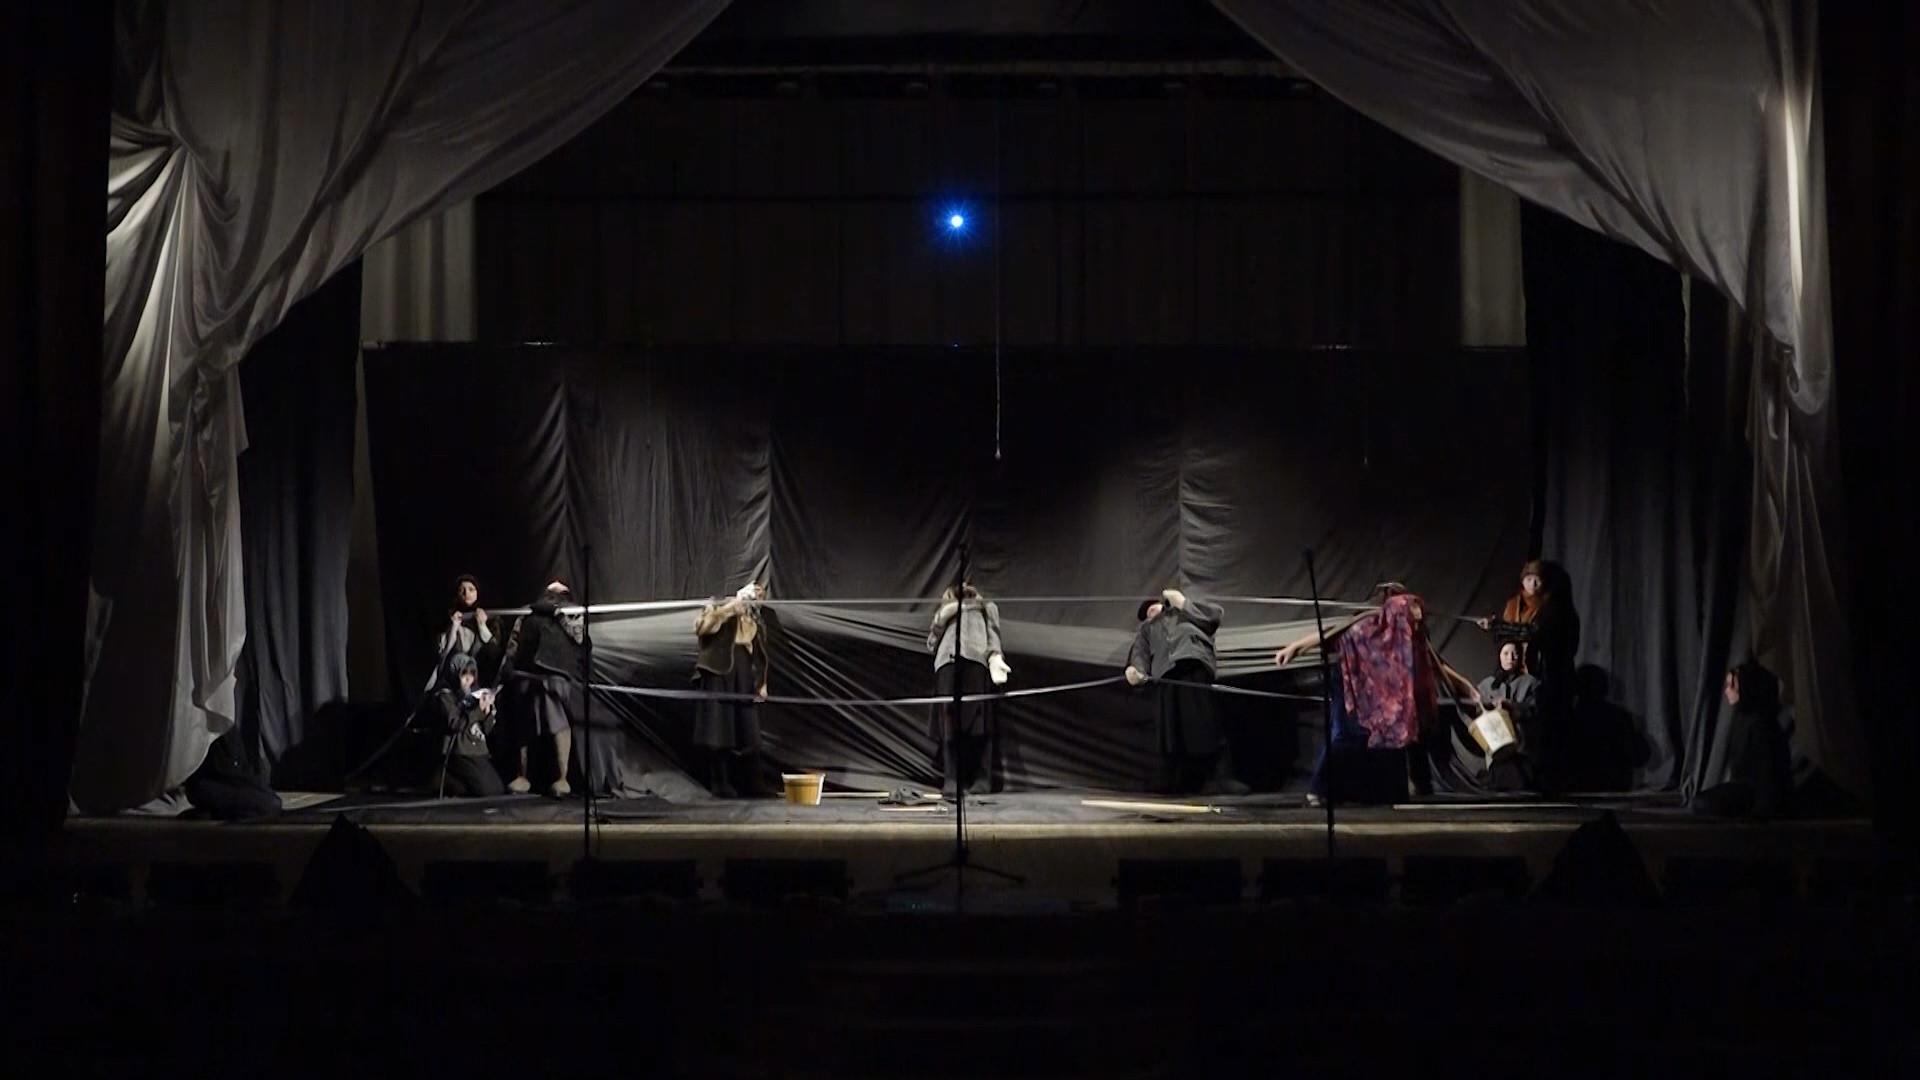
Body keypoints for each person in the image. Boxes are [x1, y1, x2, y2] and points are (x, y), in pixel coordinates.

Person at [1275, 587, 1480, 804]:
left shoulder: (1409, 633)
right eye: (1412, 621)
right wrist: (1294, 648)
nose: (1415, 627)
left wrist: (1465, 686)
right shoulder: (1365, 628)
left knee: (1393, 735)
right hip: (1352, 685)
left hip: (1384, 696)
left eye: (1418, 622)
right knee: (1345, 735)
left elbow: (1432, 661)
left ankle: (1388, 793)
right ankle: (1319, 790)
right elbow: (1329, 634)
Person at [1126, 588, 1245, 796]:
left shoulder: (1185, 612)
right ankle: (1174, 782)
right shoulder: (1146, 629)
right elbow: (1139, 653)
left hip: (1193, 665)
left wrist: (1183, 603)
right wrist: (1136, 670)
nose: (1150, 613)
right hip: (1165, 674)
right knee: (1171, 730)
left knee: (1205, 721)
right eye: (1147, 613)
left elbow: (1214, 617)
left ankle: (1220, 777)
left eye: (1153, 608)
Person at [927, 582, 1011, 798]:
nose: (965, 587)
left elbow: (994, 635)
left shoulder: (986, 607)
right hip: (947, 662)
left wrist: (995, 656)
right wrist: (945, 615)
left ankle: (983, 778)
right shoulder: (946, 610)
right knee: (948, 720)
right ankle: (951, 779)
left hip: (976, 660)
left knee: (979, 720)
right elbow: (931, 642)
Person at [499, 580, 582, 797]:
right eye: (550, 591)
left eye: (558, 592)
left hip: (556, 672)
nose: (553, 595)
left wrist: (558, 614)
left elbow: (580, 638)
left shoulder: (572, 612)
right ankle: (522, 775)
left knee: (556, 719)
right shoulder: (527, 612)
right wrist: (508, 662)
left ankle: (562, 777)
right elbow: (514, 640)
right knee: (525, 721)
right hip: (526, 671)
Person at [693, 581, 774, 798]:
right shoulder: (718, 606)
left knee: (749, 730)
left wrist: (762, 683)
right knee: (719, 727)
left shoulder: (754, 618)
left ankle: (753, 783)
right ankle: (720, 782)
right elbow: (702, 628)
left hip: (743, 672)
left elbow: (760, 652)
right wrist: (729, 609)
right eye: (754, 593)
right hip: (719, 671)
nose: (757, 598)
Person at [1694, 659, 1792, 817]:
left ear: (1747, 687)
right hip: (1748, 790)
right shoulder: (1743, 719)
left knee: (1704, 803)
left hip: (1760, 796)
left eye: (1732, 685)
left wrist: (1762, 811)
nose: (1727, 690)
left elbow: (1767, 776)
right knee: (1701, 801)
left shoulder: (1761, 724)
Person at [412, 652, 505, 797]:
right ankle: (448, 778)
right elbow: (455, 723)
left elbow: (486, 729)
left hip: (477, 749)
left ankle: (454, 782)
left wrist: (487, 712)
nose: (469, 679)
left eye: (472, 674)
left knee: (497, 788)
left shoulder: (475, 695)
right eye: (464, 675)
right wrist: (477, 711)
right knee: (487, 790)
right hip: (460, 750)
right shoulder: (445, 696)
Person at [428, 574, 494, 691]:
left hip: (482, 675)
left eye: (471, 589)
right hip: (454, 676)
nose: (466, 593)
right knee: (462, 659)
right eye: (461, 590)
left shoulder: (490, 618)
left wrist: (482, 626)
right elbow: (443, 654)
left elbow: (494, 651)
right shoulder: (449, 619)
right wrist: (453, 628)